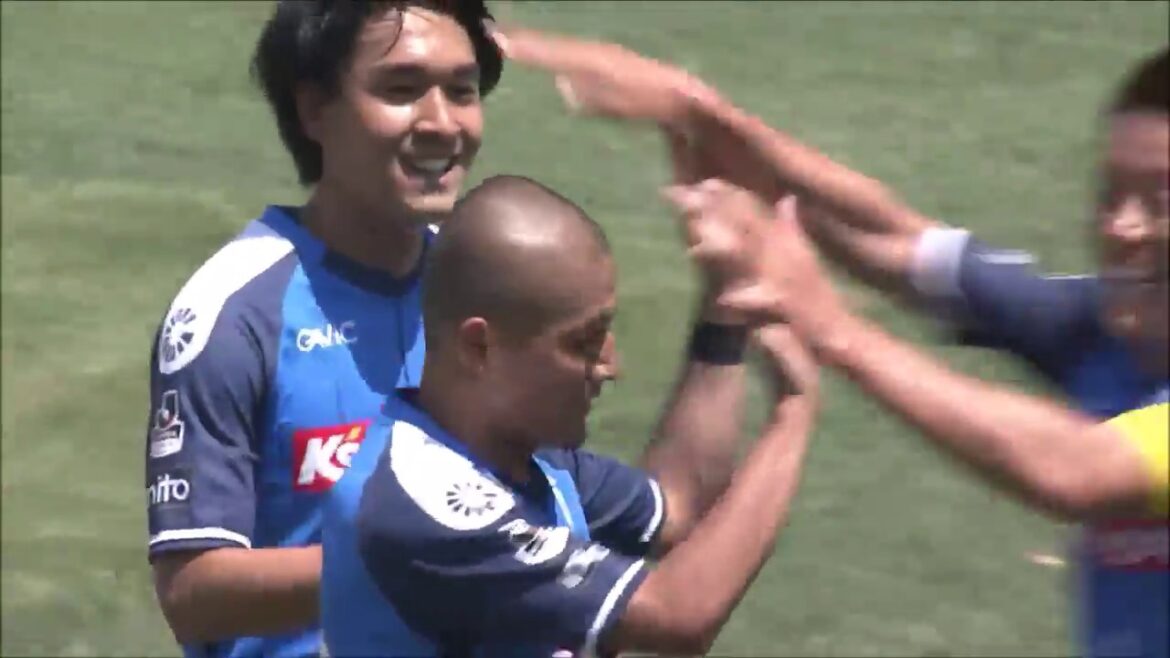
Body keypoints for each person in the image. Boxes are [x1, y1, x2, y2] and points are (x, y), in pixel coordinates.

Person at [491, 26, 1168, 657]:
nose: (1124, 229)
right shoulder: (1107, 325)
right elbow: (896, 240)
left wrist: (831, 326)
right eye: (1112, 194)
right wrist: (701, 115)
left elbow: (1082, 471)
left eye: (1159, 201)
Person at [332, 174, 820, 657]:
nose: (611, 366)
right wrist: (792, 415)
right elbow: (676, 617)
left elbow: (679, 504)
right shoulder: (418, 499)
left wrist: (724, 316)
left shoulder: (527, 462)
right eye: (583, 342)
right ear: (479, 346)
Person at [144, 2, 501, 656]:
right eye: (401, 89)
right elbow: (193, 592)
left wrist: (724, 327)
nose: (441, 123)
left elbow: (600, 514)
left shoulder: (490, 285)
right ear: (314, 110)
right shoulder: (237, 311)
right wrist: (427, 552)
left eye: (462, 90)